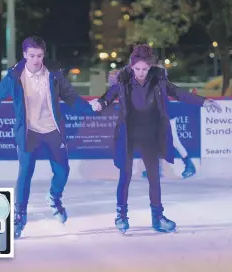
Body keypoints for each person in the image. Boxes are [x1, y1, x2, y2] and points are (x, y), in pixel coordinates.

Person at [0, 36, 93, 238]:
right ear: (24, 55)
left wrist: (90, 110)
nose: (36, 60)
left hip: (53, 130)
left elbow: (71, 96)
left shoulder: (54, 74)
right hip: (29, 133)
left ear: (43, 55)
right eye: (31, 56)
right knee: (25, 175)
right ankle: (19, 217)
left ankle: (54, 197)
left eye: (39, 55)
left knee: (63, 171)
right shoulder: (15, 77)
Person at [90, 44, 222, 233]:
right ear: (131, 66)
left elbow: (179, 93)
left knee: (154, 177)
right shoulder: (123, 81)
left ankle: (157, 217)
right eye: (137, 69)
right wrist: (99, 103)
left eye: (145, 69)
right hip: (128, 134)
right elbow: (107, 98)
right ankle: (121, 215)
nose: (141, 73)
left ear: (150, 67)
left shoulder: (158, 81)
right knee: (125, 176)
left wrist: (204, 101)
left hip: (151, 135)